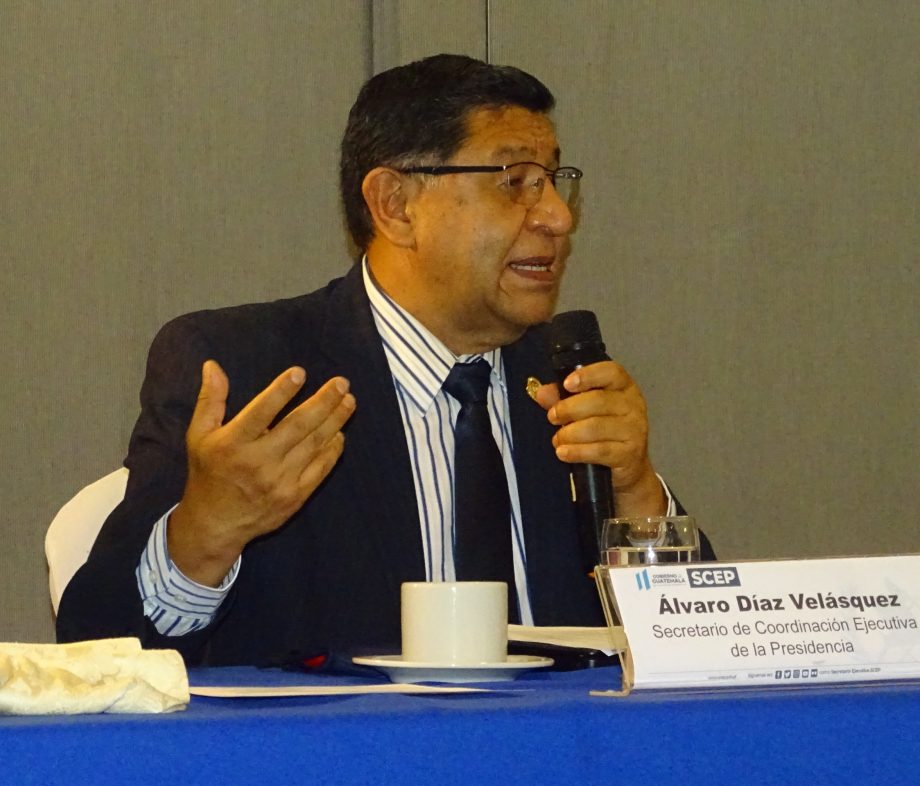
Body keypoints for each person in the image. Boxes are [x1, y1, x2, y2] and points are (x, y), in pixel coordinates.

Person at [57, 54, 714, 665]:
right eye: (515, 182)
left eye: (553, 182)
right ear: (395, 206)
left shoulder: (569, 386)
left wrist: (635, 489)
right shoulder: (246, 373)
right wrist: (204, 535)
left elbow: (704, 649)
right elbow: (97, 650)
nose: (556, 218)